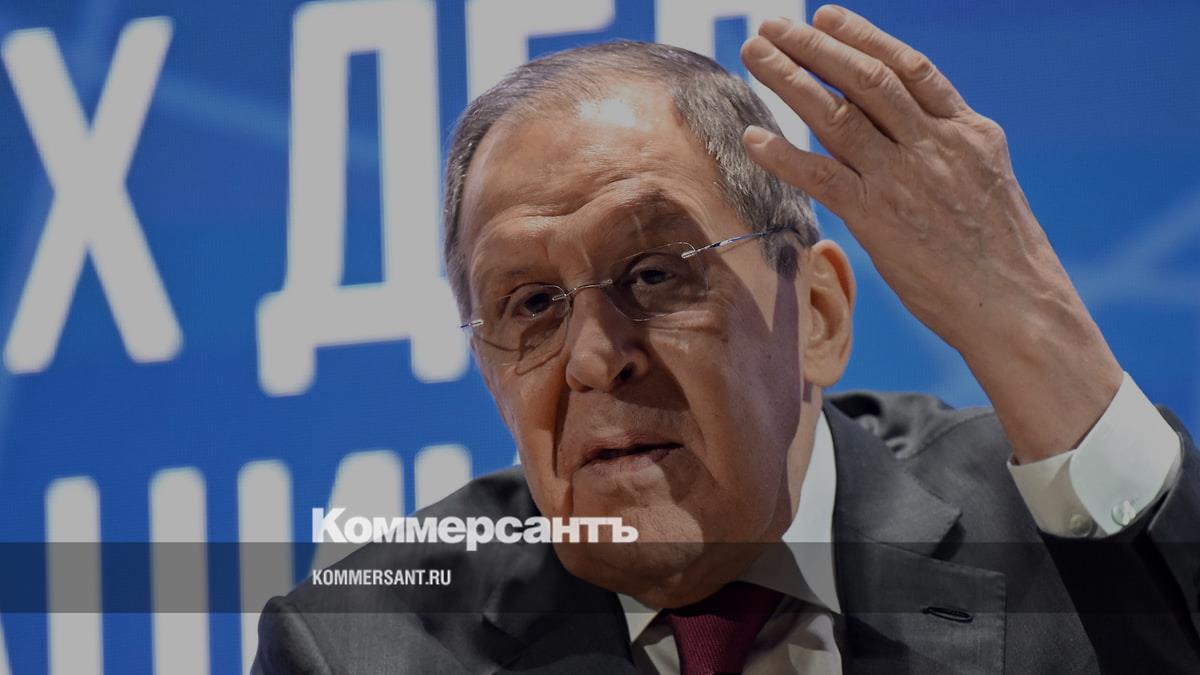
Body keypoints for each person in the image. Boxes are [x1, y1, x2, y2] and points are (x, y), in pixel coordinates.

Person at [252, 6, 1198, 673]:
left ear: (816, 315)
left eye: (654, 275)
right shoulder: (366, 645)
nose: (594, 358)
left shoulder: (1047, 532)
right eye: (532, 303)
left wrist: (1033, 328)